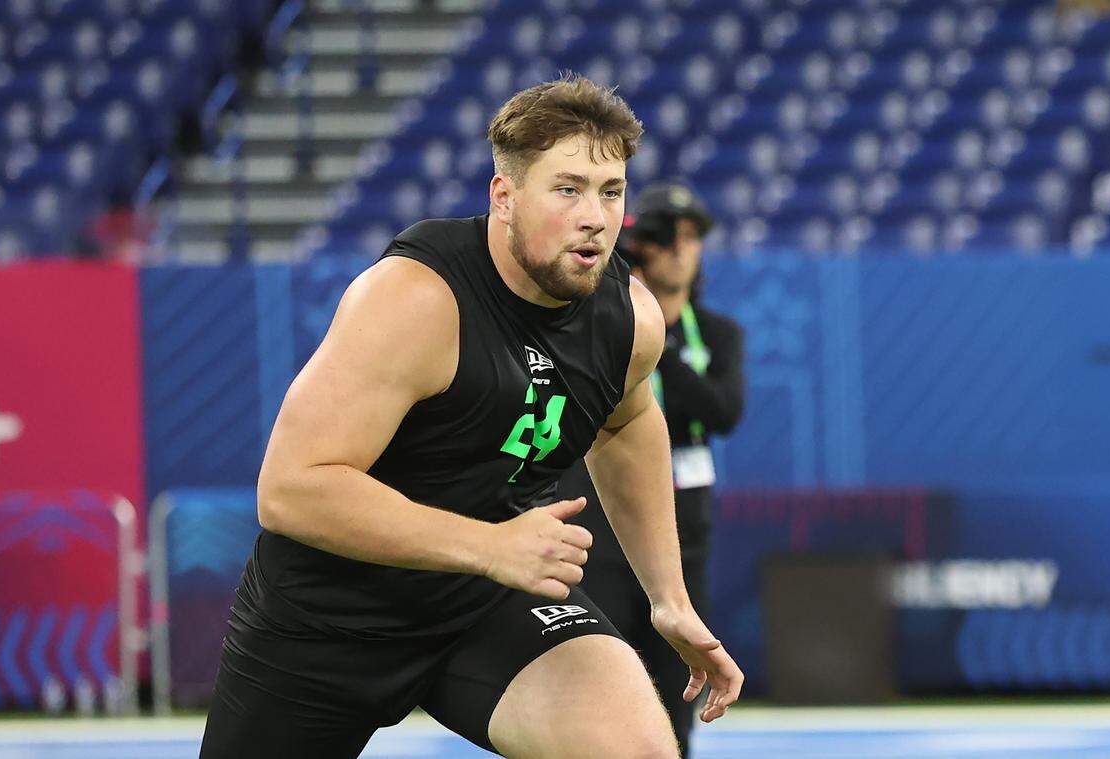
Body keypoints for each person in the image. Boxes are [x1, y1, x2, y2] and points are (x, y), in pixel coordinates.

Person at [199, 75, 744, 759]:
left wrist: (669, 597)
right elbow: (290, 488)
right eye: (568, 188)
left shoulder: (628, 317)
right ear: (504, 197)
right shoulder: (415, 299)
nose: (595, 216)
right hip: (330, 609)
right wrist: (490, 545)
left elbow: (628, 423)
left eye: (612, 191)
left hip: (489, 598)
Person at [558, 182, 745, 758]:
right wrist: (635, 323)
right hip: (601, 525)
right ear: (641, 248)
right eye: (666, 239)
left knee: (675, 680)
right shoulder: (594, 323)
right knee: (599, 674)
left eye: (692, 239)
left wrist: (652, 341)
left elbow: (721, 411)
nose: (681, 251)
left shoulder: (715, 334)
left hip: (685, 528)